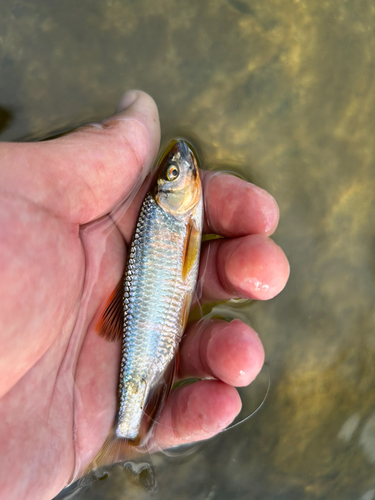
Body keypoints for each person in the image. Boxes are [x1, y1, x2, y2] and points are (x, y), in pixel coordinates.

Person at [0, 90, 289, 500]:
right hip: (150, 319)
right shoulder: (172, 214)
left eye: (171, 174)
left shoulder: (170, 212)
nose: (183, 170)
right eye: (174, 175)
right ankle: (125, 433)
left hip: (150, 311)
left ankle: (124, 435)